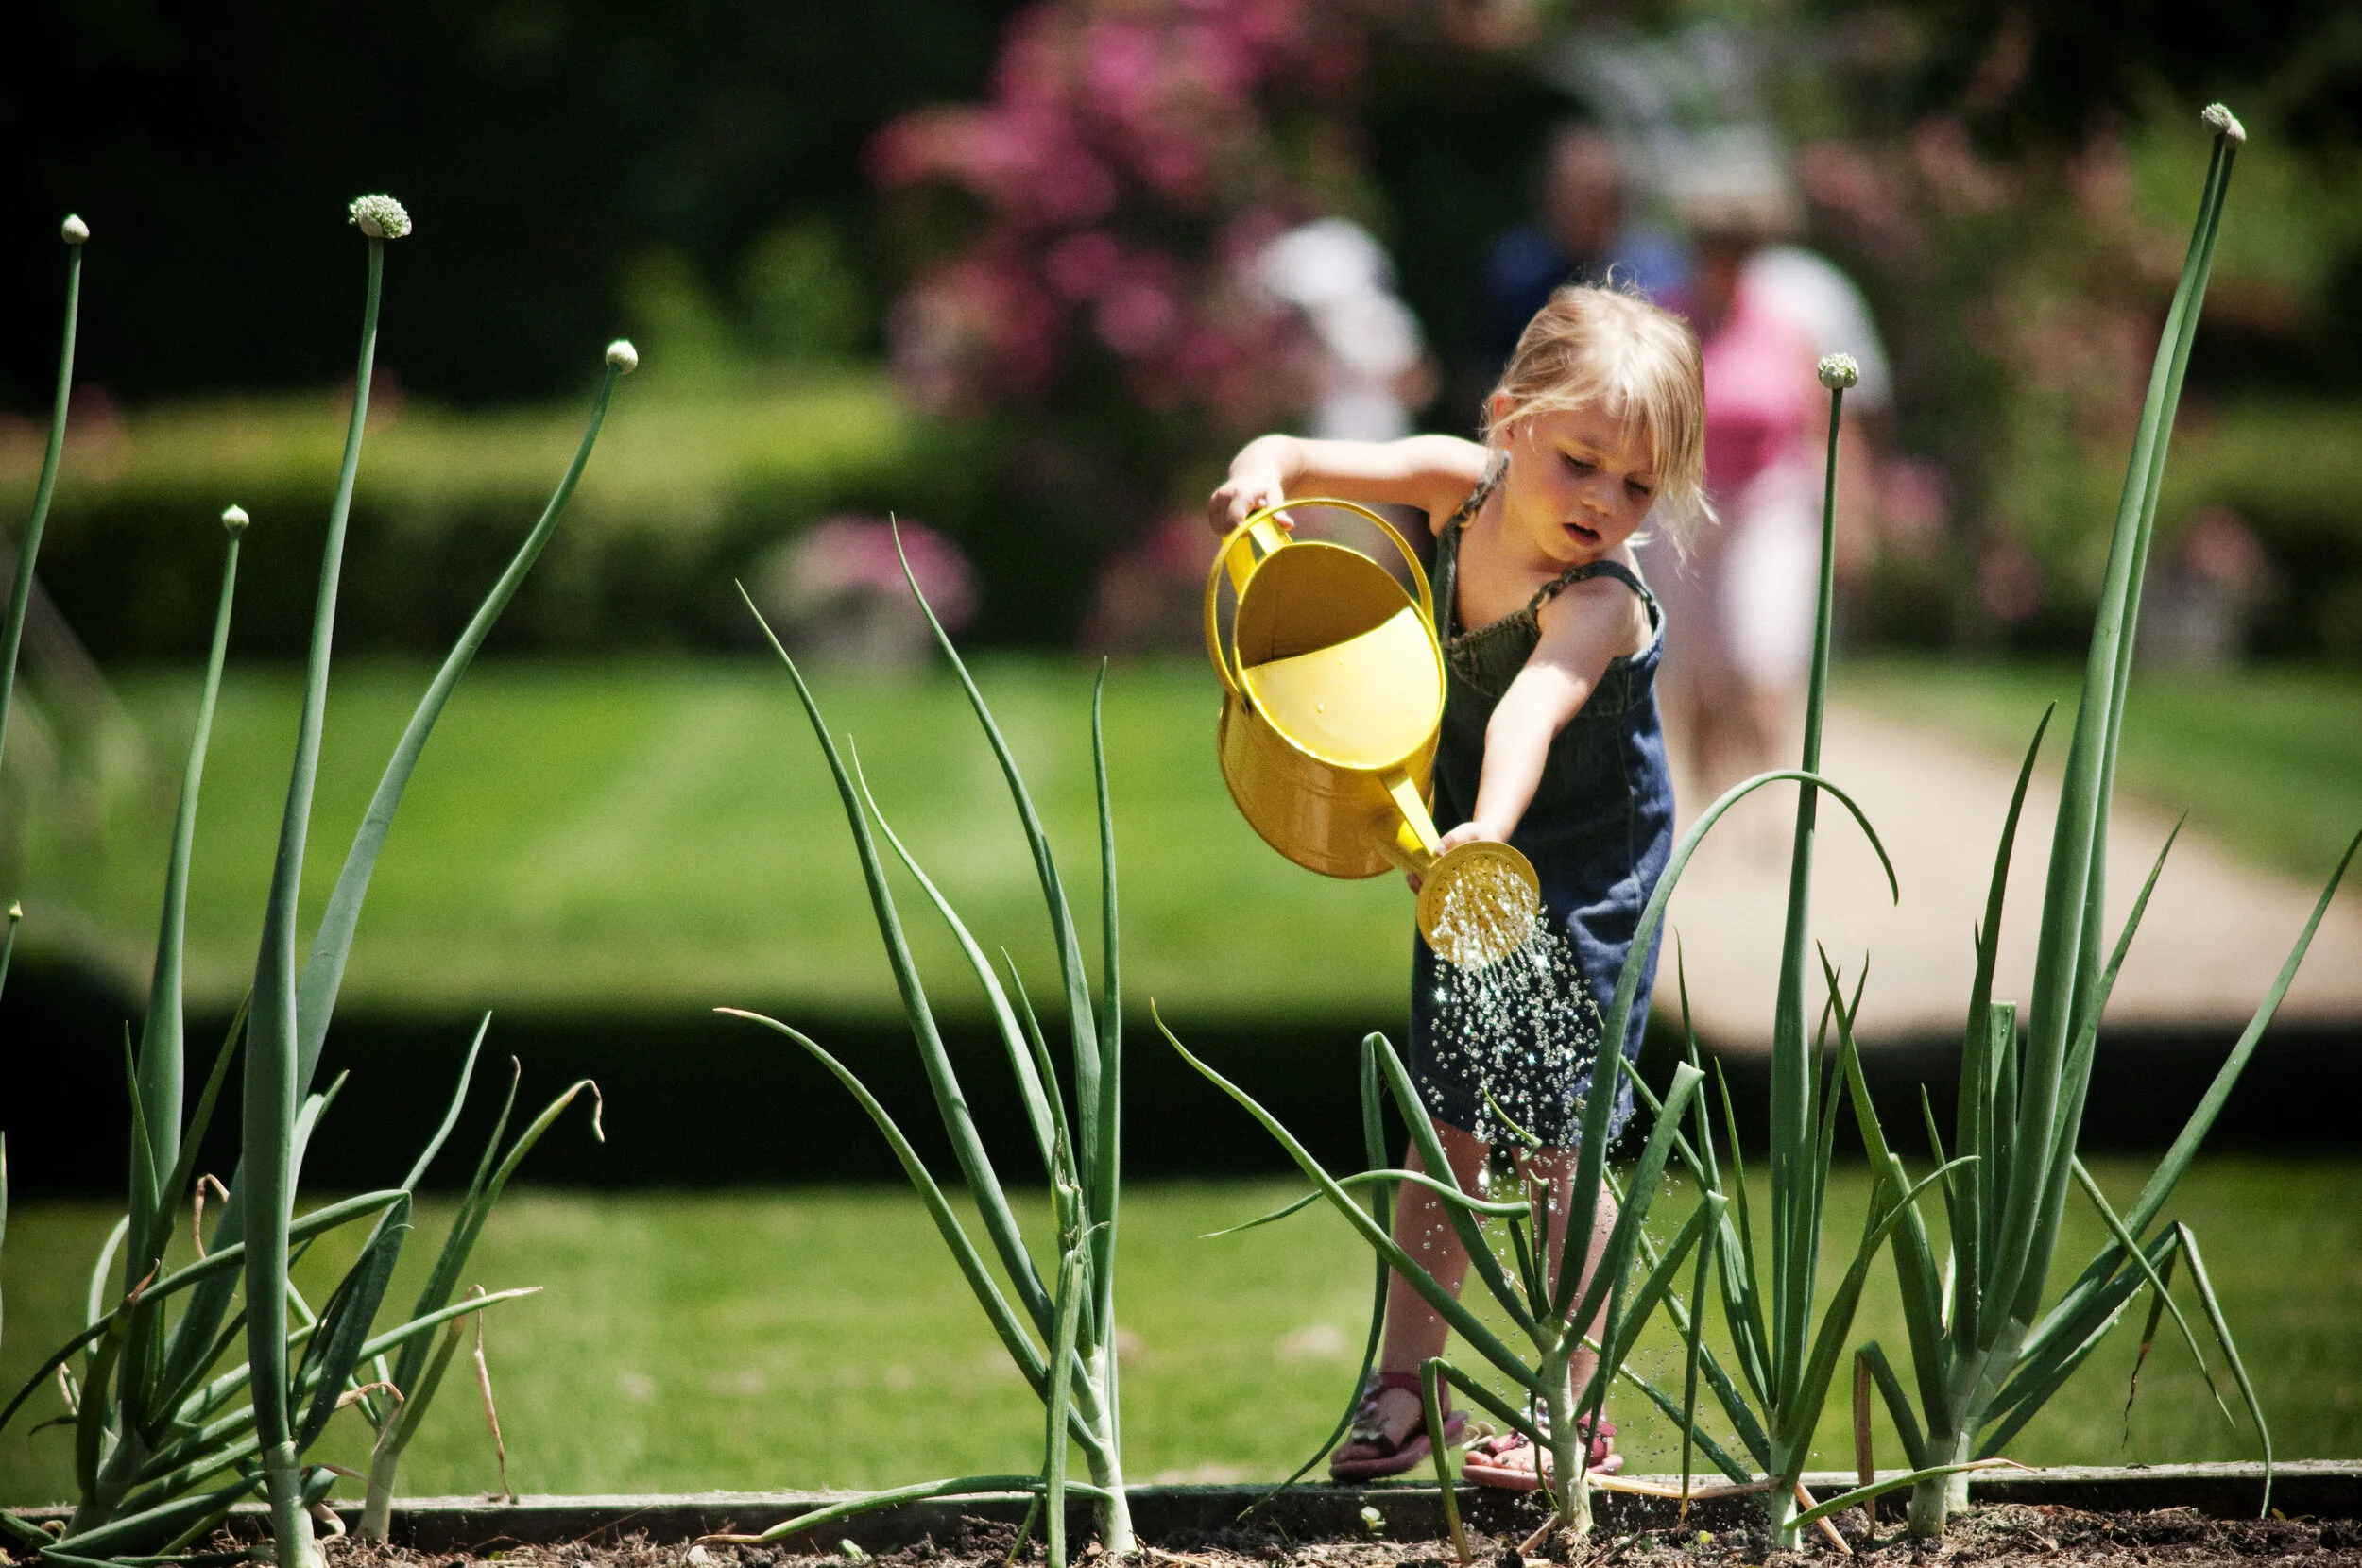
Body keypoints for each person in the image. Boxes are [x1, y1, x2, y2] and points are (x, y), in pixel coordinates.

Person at [1207, 285, 1709, 1489]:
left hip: (1577, 878)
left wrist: (1482, 822)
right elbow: (1300, 452)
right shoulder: (1454, 484)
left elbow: (1534, 706)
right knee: (1447, 1125)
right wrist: (1257, 471)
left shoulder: (1600, 602)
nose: (1602, 502)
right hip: (1467, 860)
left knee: (1560, 1140)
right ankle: (1404, 1388)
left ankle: (1571, 1412)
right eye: (1581, 461)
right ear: (1507, 421)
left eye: (1637, 487)